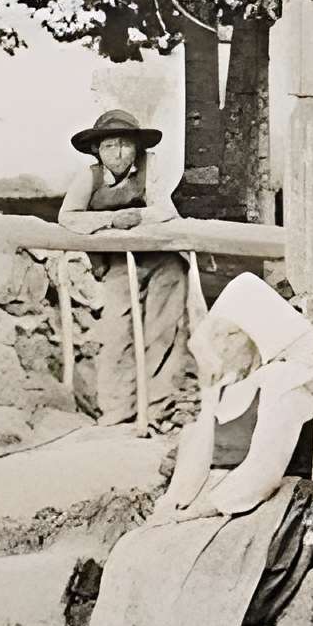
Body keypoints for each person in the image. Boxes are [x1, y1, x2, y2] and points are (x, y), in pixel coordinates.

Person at [35, 272, 313, 626]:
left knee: (188, 564)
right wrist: (169, 511)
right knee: (134, 550)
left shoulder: (286, 386)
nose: (224, 343)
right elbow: (196, 465)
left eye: (234, 333)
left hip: (275, 508)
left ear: (259, 336)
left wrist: (200, 512)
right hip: (224, 500)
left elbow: (263, 472)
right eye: (221, 333)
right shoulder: (222, 391)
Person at [56, 108, 191, 431]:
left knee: (163, 330)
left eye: (125, 145)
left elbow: (165, 211)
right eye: (109, 146)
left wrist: (140, 218)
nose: (117, 153)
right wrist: (109, 220)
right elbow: (68, 217)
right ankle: (117, 410)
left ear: (137, 149)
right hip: (118, 261)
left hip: (162, 259)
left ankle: (161, 408)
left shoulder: (150, 168)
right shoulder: (88, 177)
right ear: (96, 151)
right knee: (117, 332)